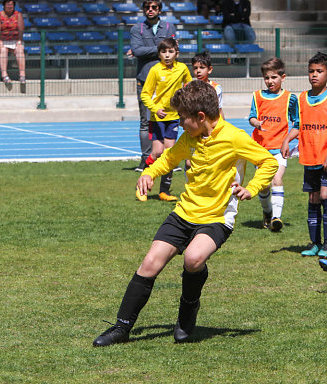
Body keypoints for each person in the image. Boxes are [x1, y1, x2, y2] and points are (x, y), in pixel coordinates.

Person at [93, 80, 278, 347]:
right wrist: (149, 173)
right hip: (184, 212)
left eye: (183, 118)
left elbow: (268, 161)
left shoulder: (235, 138)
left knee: (193, 259)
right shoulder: (189, 137)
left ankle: (188, 310)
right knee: (149, 264)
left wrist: (252, 188)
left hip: (216, 217)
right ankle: (121, 328)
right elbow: (168, 159)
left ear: (201, 117)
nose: (180, 124)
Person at [281, 52, 327, 257]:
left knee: (325, 196)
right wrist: (286, 140)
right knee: (314, 198)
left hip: (325, 159)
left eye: (319, 71)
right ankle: (315, 243)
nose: (314, 75)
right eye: (311, 71)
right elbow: (298, 126)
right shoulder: (301, 99)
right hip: (310, 158)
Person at [137, 37, 192, 202]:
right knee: (156, 152)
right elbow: (145, 94)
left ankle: (164, 191)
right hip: (157, 118)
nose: (167, 55)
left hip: (174, 117)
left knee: (169, 153)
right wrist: (155, 109)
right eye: (163, 52)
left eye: (170, 51)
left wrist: (185, 103)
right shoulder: (155, 70)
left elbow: (189, 86)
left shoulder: (182, 68)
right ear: (159, 54)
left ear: (176, 53)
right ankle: (143, 185)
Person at [249, 58, 299, 232]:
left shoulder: (290, 99)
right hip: (260, 149)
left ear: (283, 77)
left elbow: (297, 124)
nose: (270, 81)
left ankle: (277, 217)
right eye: (266, 78)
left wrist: (287, 141)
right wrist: (256, 123)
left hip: (279, 149)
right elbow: (252, 116)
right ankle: (267, 212)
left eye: (274, 77)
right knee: (263, 185)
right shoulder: (257, 96)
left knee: (277, 178)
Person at [127, 0, 176, 172]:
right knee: (145, 121)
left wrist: (145, 50)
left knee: (170, 118)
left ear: (159, 9)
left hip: (168, 82)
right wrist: (162, 49)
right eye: (147, 7)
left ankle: (169, 159)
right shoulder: (136, 29)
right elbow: (137, 50)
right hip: (145, 79)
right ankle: (145, 159)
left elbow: (171, 49)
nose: (150, 10)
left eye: (154, 7)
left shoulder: (169, 27)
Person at [0, 0, 25, 88]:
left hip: (15, 40)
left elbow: (21, 29)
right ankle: (4, 75)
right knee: (3, 51)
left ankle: (22, 75)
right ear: (4, 5)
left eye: (11, 4)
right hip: (1, 40)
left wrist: (19, 41)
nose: (9, 6)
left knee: (20, 49)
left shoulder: (18, 14)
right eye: (7, 4)